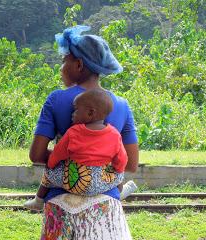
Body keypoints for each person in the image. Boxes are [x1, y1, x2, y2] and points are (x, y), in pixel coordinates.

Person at [29, 25, 139, 239]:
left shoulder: (55, 99)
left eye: (64, 61)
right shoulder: (122, 105)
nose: (61, 67)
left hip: (61, 206)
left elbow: (36, 155)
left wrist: (74, 161)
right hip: (106, 207)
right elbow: (131, 164)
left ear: (78, 65)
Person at [24, 89, 128, 211]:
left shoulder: (73, 132)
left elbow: (57, 154)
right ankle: (120, 192)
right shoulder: (114, 135)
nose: (72, 114)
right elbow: (122, 159)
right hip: (101, 183)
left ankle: (38, 200)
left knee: (48, 173)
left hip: (74, 182)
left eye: (76, 110)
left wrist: (51, 164)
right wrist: (117, 171)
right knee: (118, 172)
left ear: (90, 113)